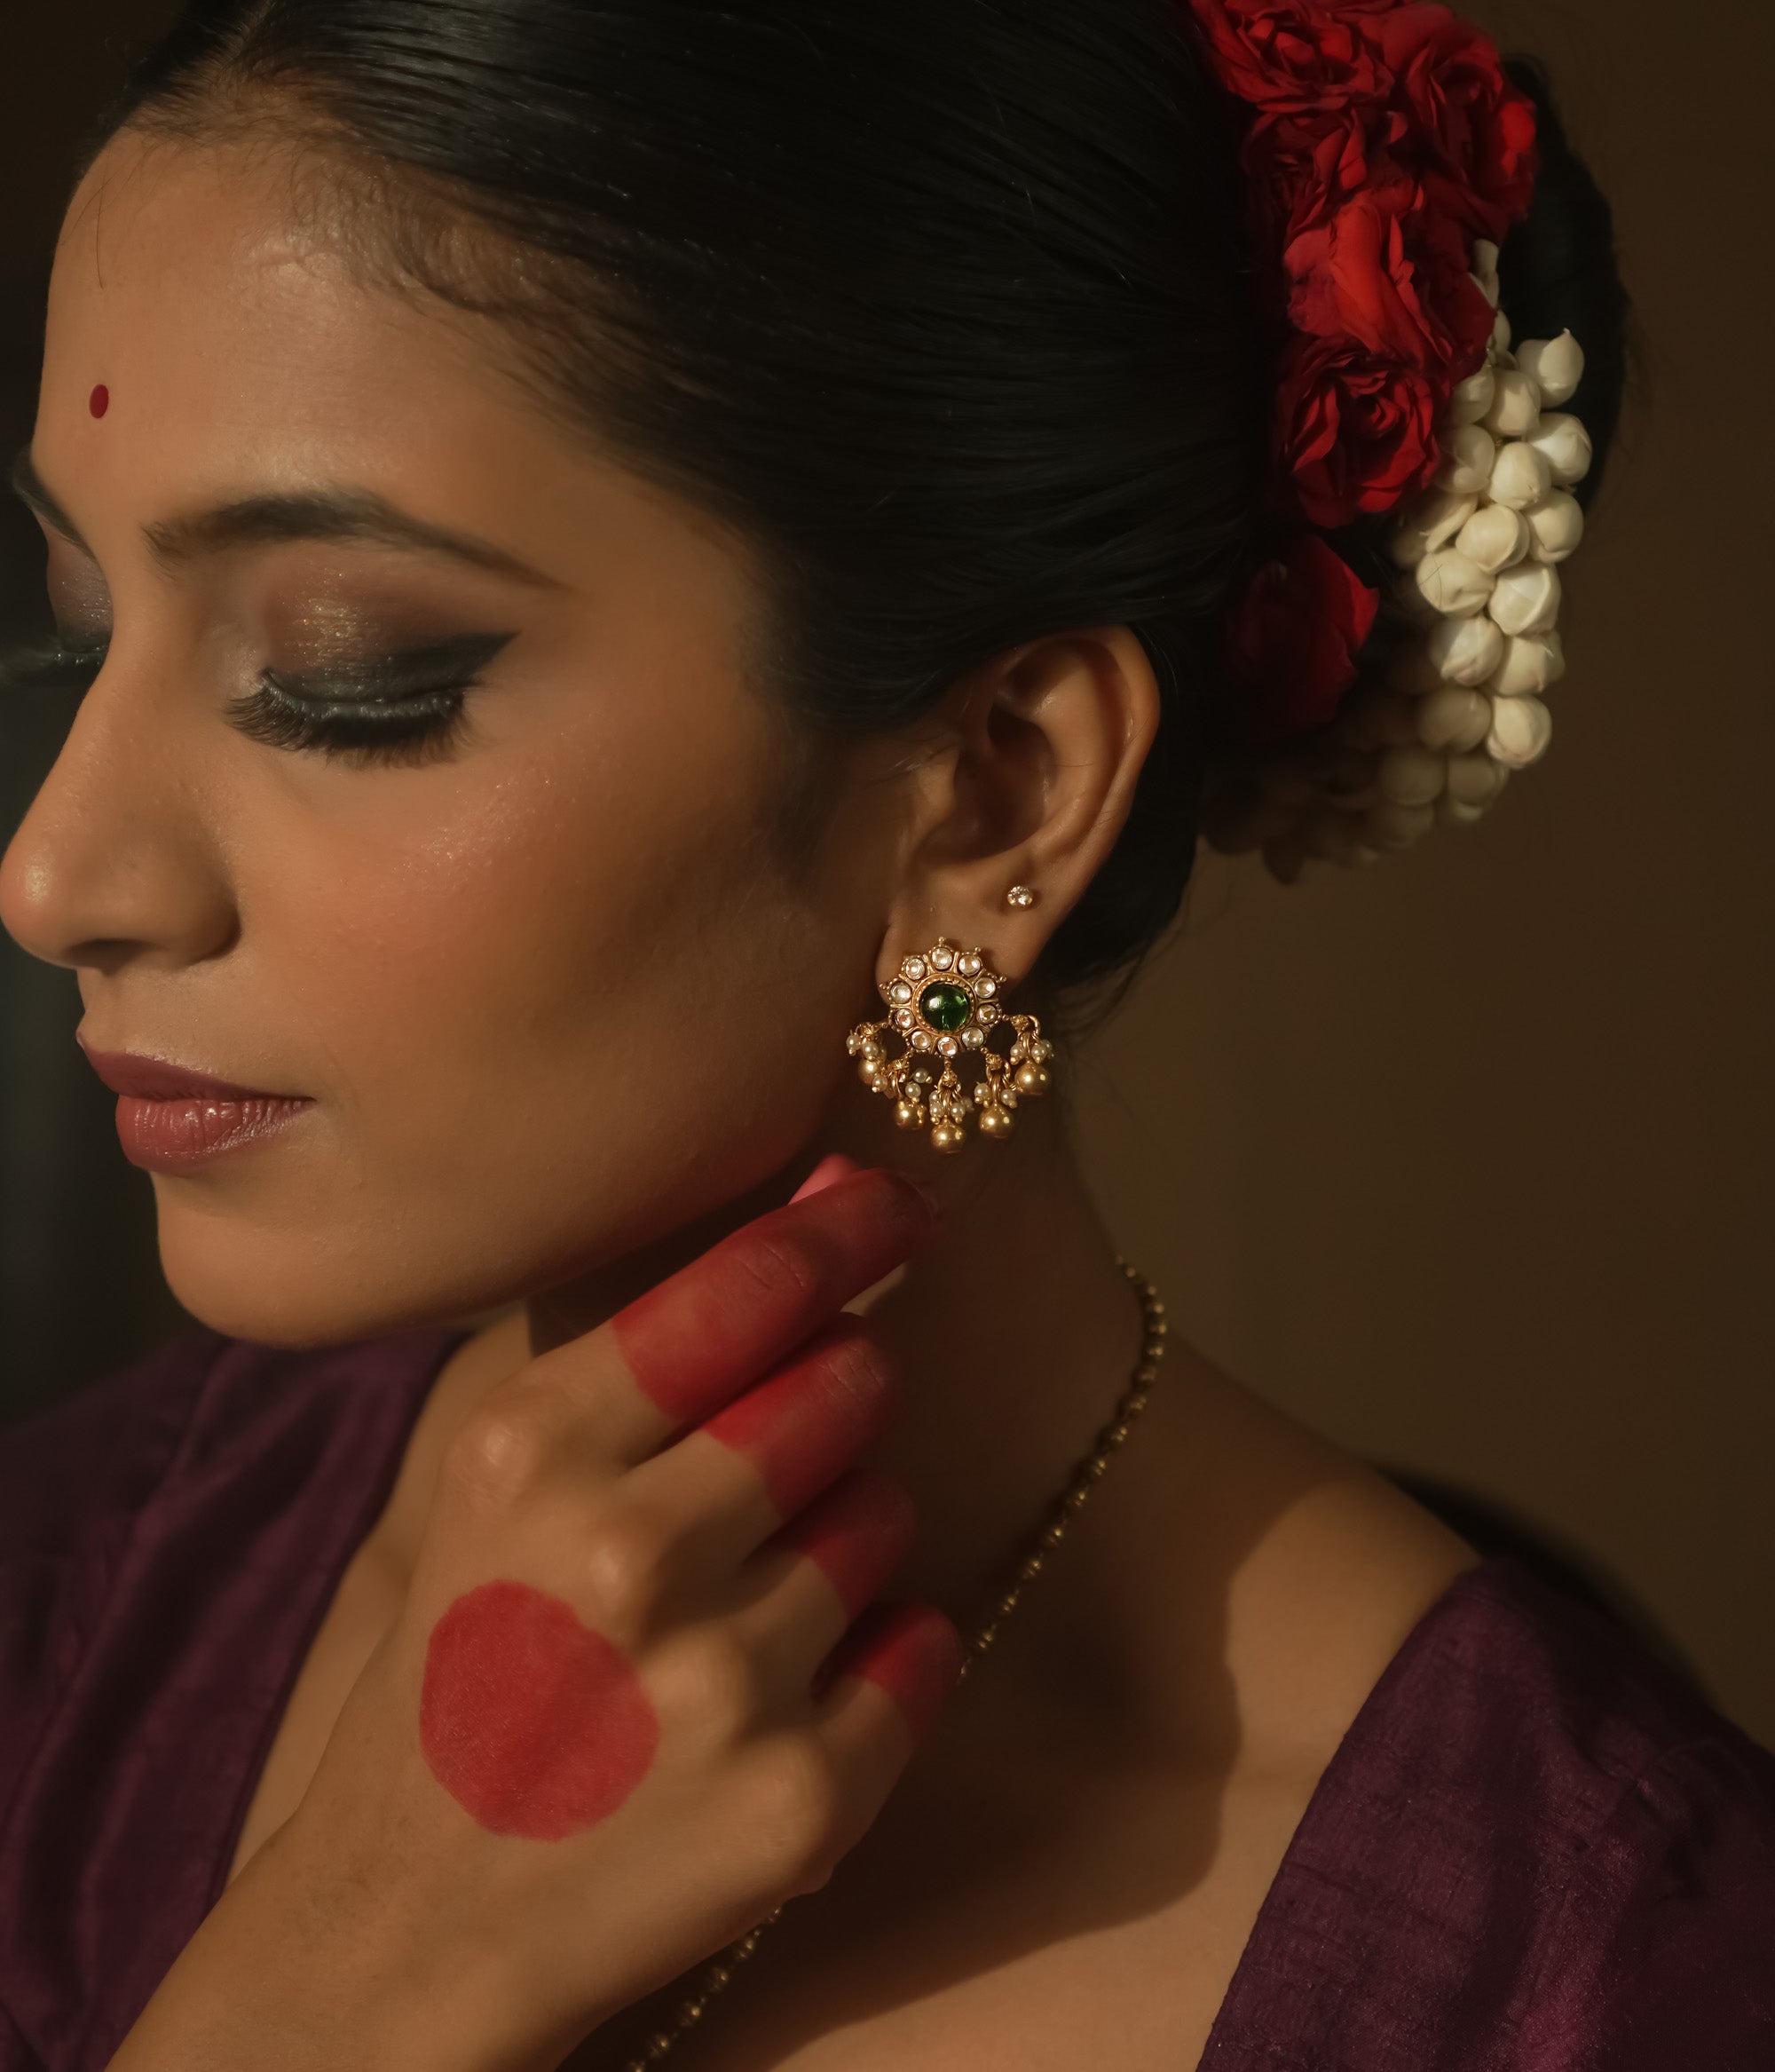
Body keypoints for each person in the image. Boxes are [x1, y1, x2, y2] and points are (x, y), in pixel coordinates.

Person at [0, 3, 1770, 2068]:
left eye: (345, 674)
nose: (57, 873)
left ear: (998, 793)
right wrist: (336, 1987)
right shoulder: (67, 1609)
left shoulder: (1577, 1978)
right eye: (76, 635)